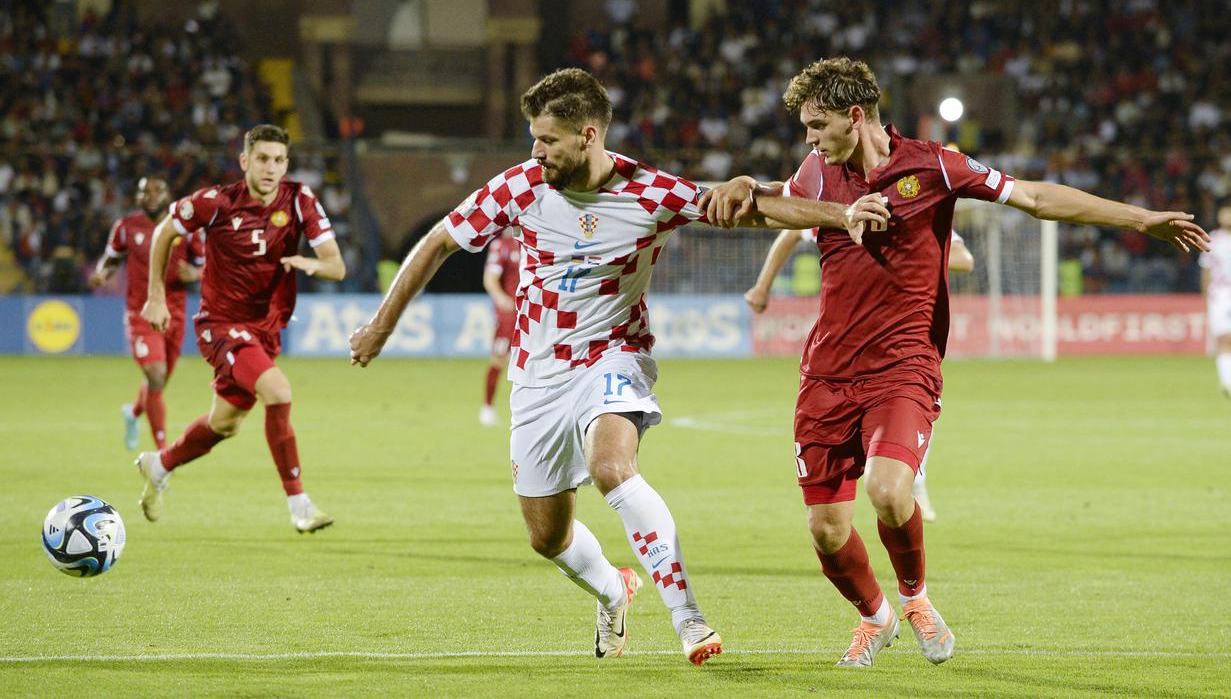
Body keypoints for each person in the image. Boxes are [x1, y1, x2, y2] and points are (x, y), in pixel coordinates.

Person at [350, 68, 888, 664]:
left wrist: (842, 215)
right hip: (537, 373)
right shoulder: (520, 187)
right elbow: (438, 244)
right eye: (534, 138)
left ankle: (689, 620)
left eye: (547, 140)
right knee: (546, 537)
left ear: (587, 135)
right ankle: (613, 589)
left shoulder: (649, 194)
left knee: (611, 466)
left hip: (614, 355)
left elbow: (755, 210)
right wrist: (381, 325)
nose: (537, 151)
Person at [701, 57, 1208, 668]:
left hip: (904, 363)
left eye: (817, 124)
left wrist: (1140, 217)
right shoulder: (817, 171)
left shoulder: (935, 164)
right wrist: (746, 187)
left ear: (854, 117)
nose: (808, 138)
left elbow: (1036, 198)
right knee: (826, 530)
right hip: (827, 371)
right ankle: (875, 617)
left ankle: (915, 599)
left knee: (890, 491)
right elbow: (769, 211)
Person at [136, 124, 346, 534]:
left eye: (279, 160)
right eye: (263, 159)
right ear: (245, 161)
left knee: (224, 425)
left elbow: (336, 265)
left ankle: (158, 464)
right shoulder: (216, 202)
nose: (271, 168)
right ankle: (300, 504)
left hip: (266, 331)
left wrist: (312, 264)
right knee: (279, 393)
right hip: (221, 326)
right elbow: (164, 232)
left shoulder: (300, 200)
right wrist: (156, 296)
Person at [744, 226, 974, 522]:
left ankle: (914, 480)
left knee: (907, 414)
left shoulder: (911, 214)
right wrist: (762, 286)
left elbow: (963, 258)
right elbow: (790, 231)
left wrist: (899, 250)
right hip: (843, 357)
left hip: (901, 350)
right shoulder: (835, 211)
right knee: (828, 516)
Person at [89, 176, 204, 451]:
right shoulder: (126, 227)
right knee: (155, 374)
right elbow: (111, 256)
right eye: (145, 192)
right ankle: (162, 452)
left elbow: (207, 263)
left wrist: (196, 273)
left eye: (157, 191)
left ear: (168, 195)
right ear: (138, 197)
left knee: (159, 381)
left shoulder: (186, 230)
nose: (151, 196)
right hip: (140, 312)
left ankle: (132, 413)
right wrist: (103, 272)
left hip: (174, 313)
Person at [479, 229, 519, 426]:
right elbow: (490, 278)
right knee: (499, 360)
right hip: (509, 315)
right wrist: (501, 297)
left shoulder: (532, 241)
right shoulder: (501, 246)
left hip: (532, 314)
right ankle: (487, 407)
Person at [1200, 223, 1231, 396]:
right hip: (1220, 295)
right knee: (1224, 338)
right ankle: (1227, 381)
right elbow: (1206, 269)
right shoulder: (1214, 239)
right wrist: (1205, 296)